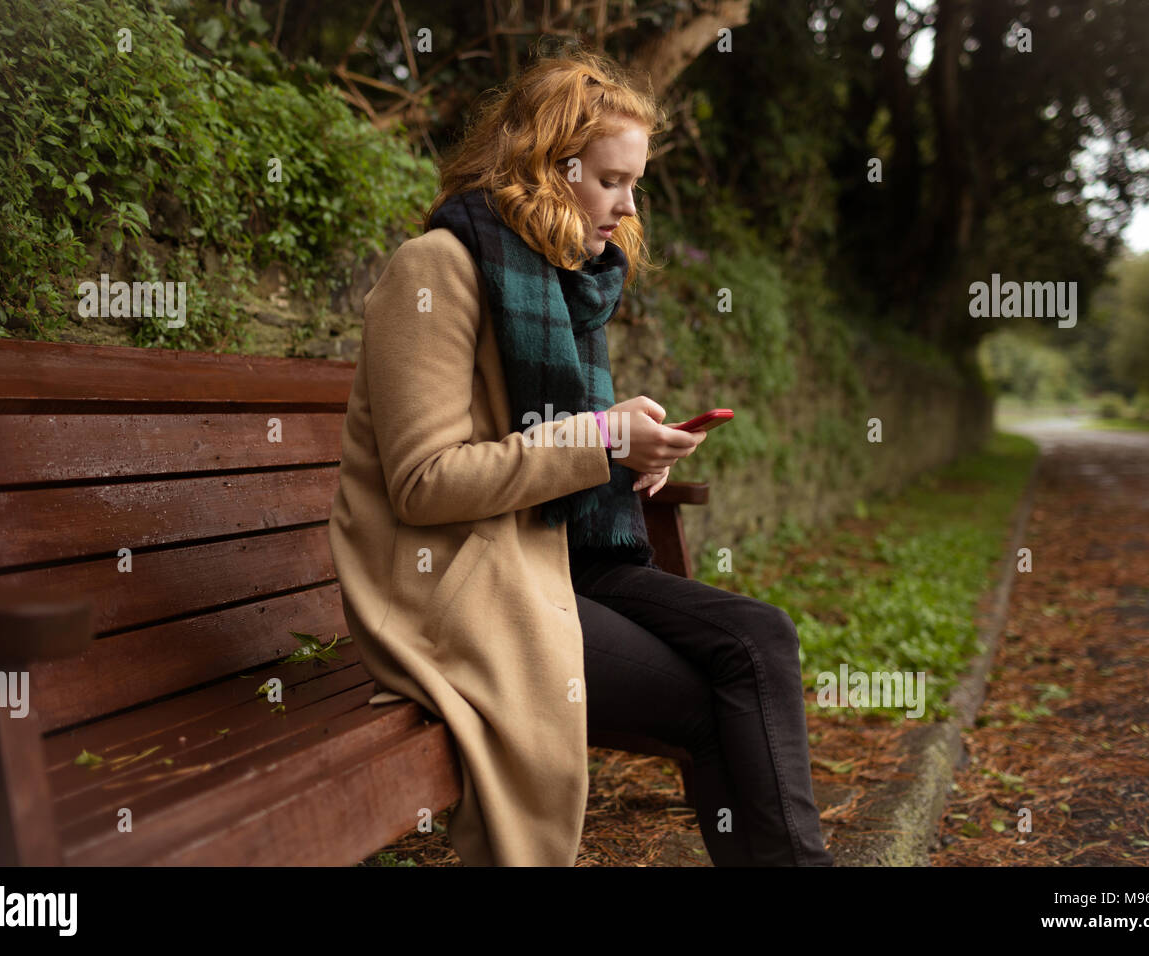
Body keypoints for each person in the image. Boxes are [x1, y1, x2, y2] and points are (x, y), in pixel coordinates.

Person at [328, 41, 833, 866]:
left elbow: (554, 450)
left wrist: (627, 460)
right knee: (714, 699)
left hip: (555, 550)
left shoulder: (563, 280)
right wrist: (598, 438)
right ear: (545, 167)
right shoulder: (437, 271)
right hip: (456, 580)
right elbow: (423, 484)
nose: (629, 208)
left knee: (760, 637)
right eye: (611, 181)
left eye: (635, 184)